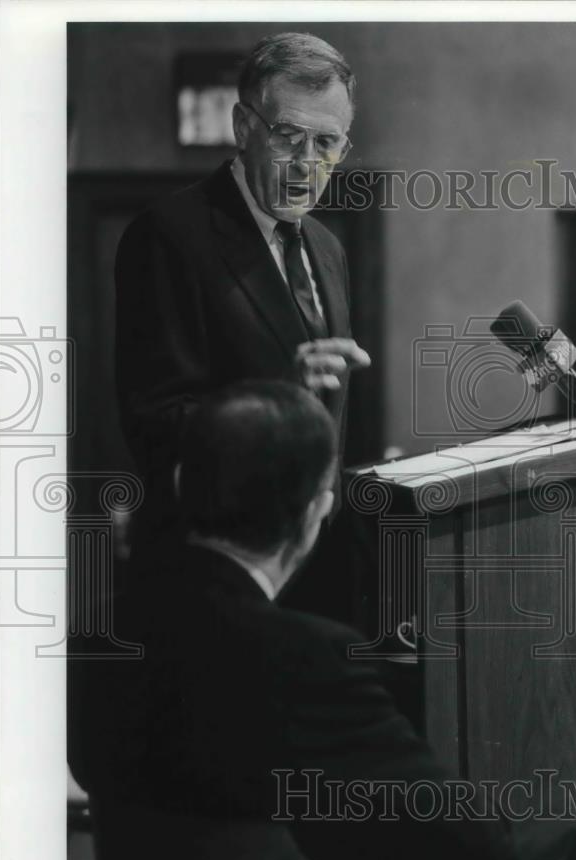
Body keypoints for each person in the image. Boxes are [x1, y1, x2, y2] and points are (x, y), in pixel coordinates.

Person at [71, 379, 576, 860]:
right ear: (313, 515)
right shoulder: (305, 656)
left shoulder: (98, 638)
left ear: (179, 484)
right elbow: (460, 836)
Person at [114, 32, 370, 616]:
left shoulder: (328, 248)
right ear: (244, 126)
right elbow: (154, 425)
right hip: (206, 586)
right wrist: (280, 396)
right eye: (289, 136)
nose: (309, 163)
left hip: (315, 578)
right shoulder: (169, 235)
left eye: (327, 143)